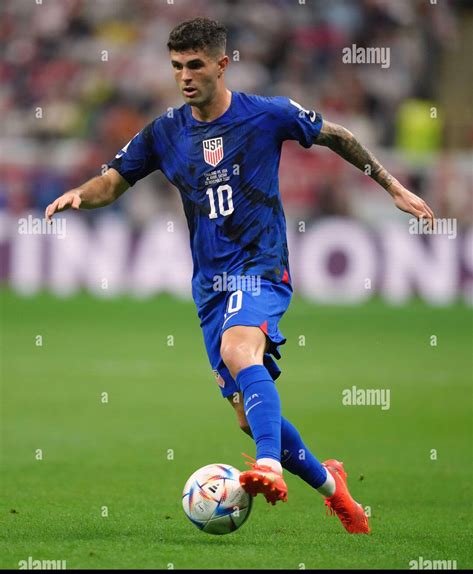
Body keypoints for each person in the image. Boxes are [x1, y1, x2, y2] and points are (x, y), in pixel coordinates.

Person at [45, 17, 434, 534]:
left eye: (196, 65)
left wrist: (392, 187)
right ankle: (330, 485)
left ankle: (269, 467)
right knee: (250, 418)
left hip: (260, 267)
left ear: (222, 65)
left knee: (239, 350)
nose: (185, 76)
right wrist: (80, 195)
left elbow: (335, 135)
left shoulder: (267, 114)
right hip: (209, 286)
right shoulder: (165, 131)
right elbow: (113, 183)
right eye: (177, 66)